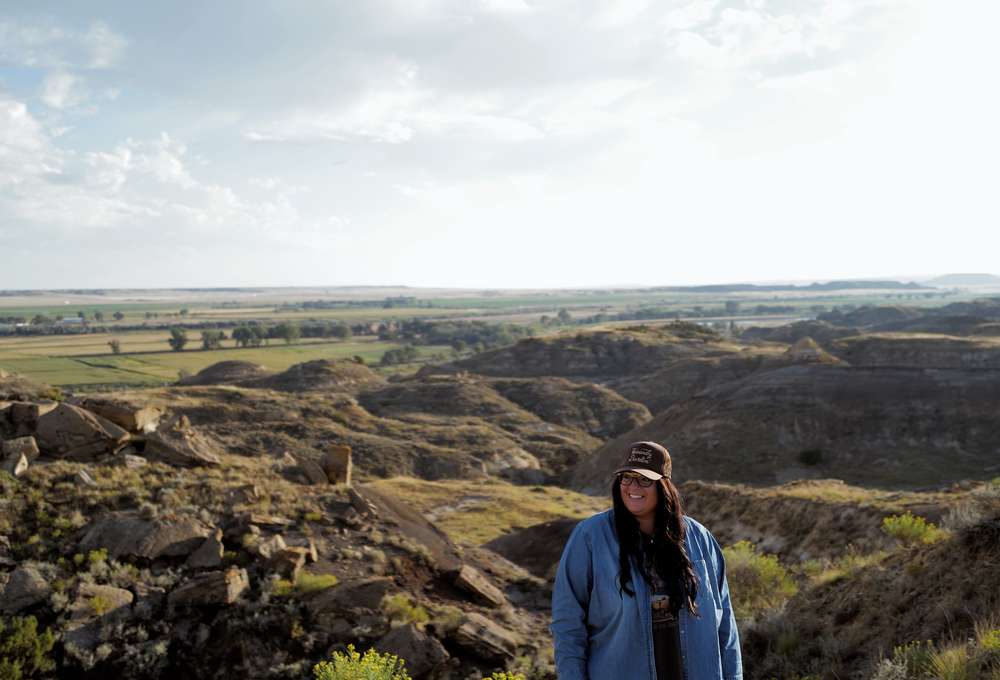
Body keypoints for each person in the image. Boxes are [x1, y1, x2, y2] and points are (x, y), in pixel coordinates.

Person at [551, 441, 742, 680]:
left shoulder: (699, 538)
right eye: (626, 477)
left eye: (644, 480)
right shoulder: (590, 537)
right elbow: (568, 623)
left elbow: (725, 624)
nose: (632, 486)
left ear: (664, 485)